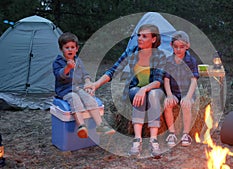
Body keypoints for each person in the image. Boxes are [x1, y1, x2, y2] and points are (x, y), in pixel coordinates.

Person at [85, 24, 166, 157]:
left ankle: (153, 140)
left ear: (153, 39)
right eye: (138, 35)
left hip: (153, 89)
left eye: (144, 36)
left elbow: (158, 82)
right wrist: (96, 84)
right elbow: (113, 71)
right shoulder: (131, 52)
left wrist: (144, 89)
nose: (139, 38)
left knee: (152, 94)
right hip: (135, 89)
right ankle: (137, 140)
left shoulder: (160, 55)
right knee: (137, 95)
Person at [52, 32, 115, 138]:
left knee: (89, 98)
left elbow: (85, 75)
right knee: (74, 98)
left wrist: (88, 82)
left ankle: (100, 125)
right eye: (67, 47)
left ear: (77, 49)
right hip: (65, 90)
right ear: (61, 49)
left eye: (72, 47)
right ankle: (81, 125)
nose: (70, 50)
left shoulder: (78, 61)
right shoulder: (58, 62)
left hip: (78, 88)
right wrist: (67, 67)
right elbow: (60, 75)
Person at [164, 31, 199, 147]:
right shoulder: (168, 61)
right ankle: (172, 133)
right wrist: (169, 95)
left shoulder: (191, 61)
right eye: (176, 47)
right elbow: (166, 80)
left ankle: (185, 134)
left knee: (186, 104)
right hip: (174, 92)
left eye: (182, 47)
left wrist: (188, 97)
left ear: (187, 46)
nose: (178, 50)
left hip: (186, 92)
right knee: (167, 104)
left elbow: (194, 80)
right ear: (171, 45)